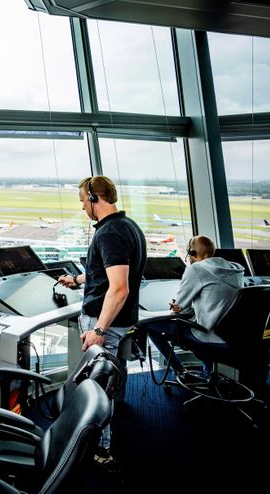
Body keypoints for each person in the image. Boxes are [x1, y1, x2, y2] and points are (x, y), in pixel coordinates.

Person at [57, 175, 145, 462]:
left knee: (96, 389)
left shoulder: (109, 233)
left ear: (95, 199)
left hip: (105, 322)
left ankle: (99, 449)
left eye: (84, 201)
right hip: (121, 320)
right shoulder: (128, 226)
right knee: (106, 383)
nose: (83, 208)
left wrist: (98, 328)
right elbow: (108, 273)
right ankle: (100, 443)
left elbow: (120, 287)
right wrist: (78, 279)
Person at [145, 235, 244, 379]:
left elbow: (182, 309)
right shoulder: (235, 269)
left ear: (192, 253)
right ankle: (209, 371)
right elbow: (218, 305)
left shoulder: (197, 269)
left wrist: (177, 306)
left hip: (207, 333)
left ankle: (179, 370)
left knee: (150, 326)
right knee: (198, 323)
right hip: (232, 335)